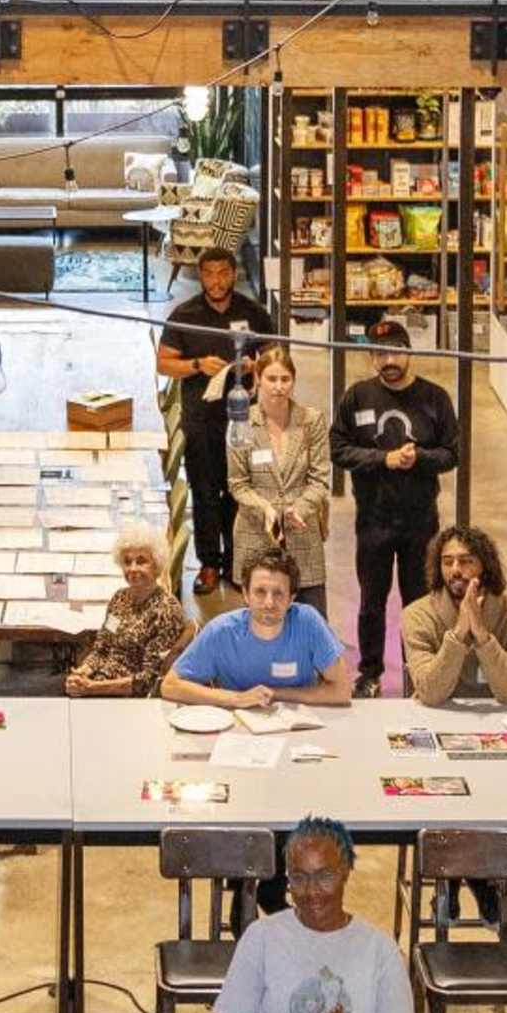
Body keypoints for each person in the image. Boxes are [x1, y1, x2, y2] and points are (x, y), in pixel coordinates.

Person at [211, 817, 416, 1013]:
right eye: (299, 878)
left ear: (346, 872)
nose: (311, 892)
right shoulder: (261, 937)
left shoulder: (380, 949)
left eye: (325, 877)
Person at [331, 324, 458, 687]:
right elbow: (338, 449)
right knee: (371, 601)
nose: (388, 361)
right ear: (371, 357)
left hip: (420, 522)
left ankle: (416, 674)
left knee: (419, 603)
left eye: (394, 352)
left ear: (408, 352)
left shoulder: (435, 398)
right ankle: (369, 674)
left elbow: (452, 453)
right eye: (379, 354)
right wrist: (381, 460)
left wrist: (418, 458)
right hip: (373, 520)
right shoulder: (357, 397)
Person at [155, 246, 278, 589]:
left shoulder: (253, 312)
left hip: (245, 418)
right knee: (205, 490)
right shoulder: (185, 314)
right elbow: (163, 363)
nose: (216, 281)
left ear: (233, 274)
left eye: (223, 273)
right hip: (201, 417)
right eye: (209, 274)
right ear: (201, 276)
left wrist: (259, 367)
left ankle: (236, 562)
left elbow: (276, 358)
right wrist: (196, 365)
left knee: (239, 489)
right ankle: (209, 563)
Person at [161, 551, 354, 706]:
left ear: (291, 599)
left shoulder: (308, 622)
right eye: (260, 592)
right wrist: (237, 699)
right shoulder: (221, 632)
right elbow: (170, 685)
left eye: (278, 593)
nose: (269, 603)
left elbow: (342, 691)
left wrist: (275, 694)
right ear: (245, 594)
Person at [226, 346, 332, 606]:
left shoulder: (312, 421)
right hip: (255, 536)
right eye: (271, 379)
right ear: (258, 381)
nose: (278, 386)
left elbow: (320, 479)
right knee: (261, 624)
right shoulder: (241, 423)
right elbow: (238, 484)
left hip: (302, 536)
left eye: (285, 379)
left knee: (311, 622)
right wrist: (265, 508)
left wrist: (301, 507)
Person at [400, 523, 507, 708]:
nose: (455, 570)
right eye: (447, 562)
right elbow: (430, 694)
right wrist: (459, 632)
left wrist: (482, 635)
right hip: (437, 715)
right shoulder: (417, 615)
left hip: (498, 717)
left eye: (466, 561)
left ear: (485, 566)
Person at [63, 525, 190, 698]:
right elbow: (102, 647)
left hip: (128, 699)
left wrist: (92, 688)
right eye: (127, 561)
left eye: (141, 561)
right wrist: (83, 672)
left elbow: (148, 681)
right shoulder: (120, 598)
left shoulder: (166, 611)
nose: (133, 569)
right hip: (98, 683)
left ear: (157, 564)